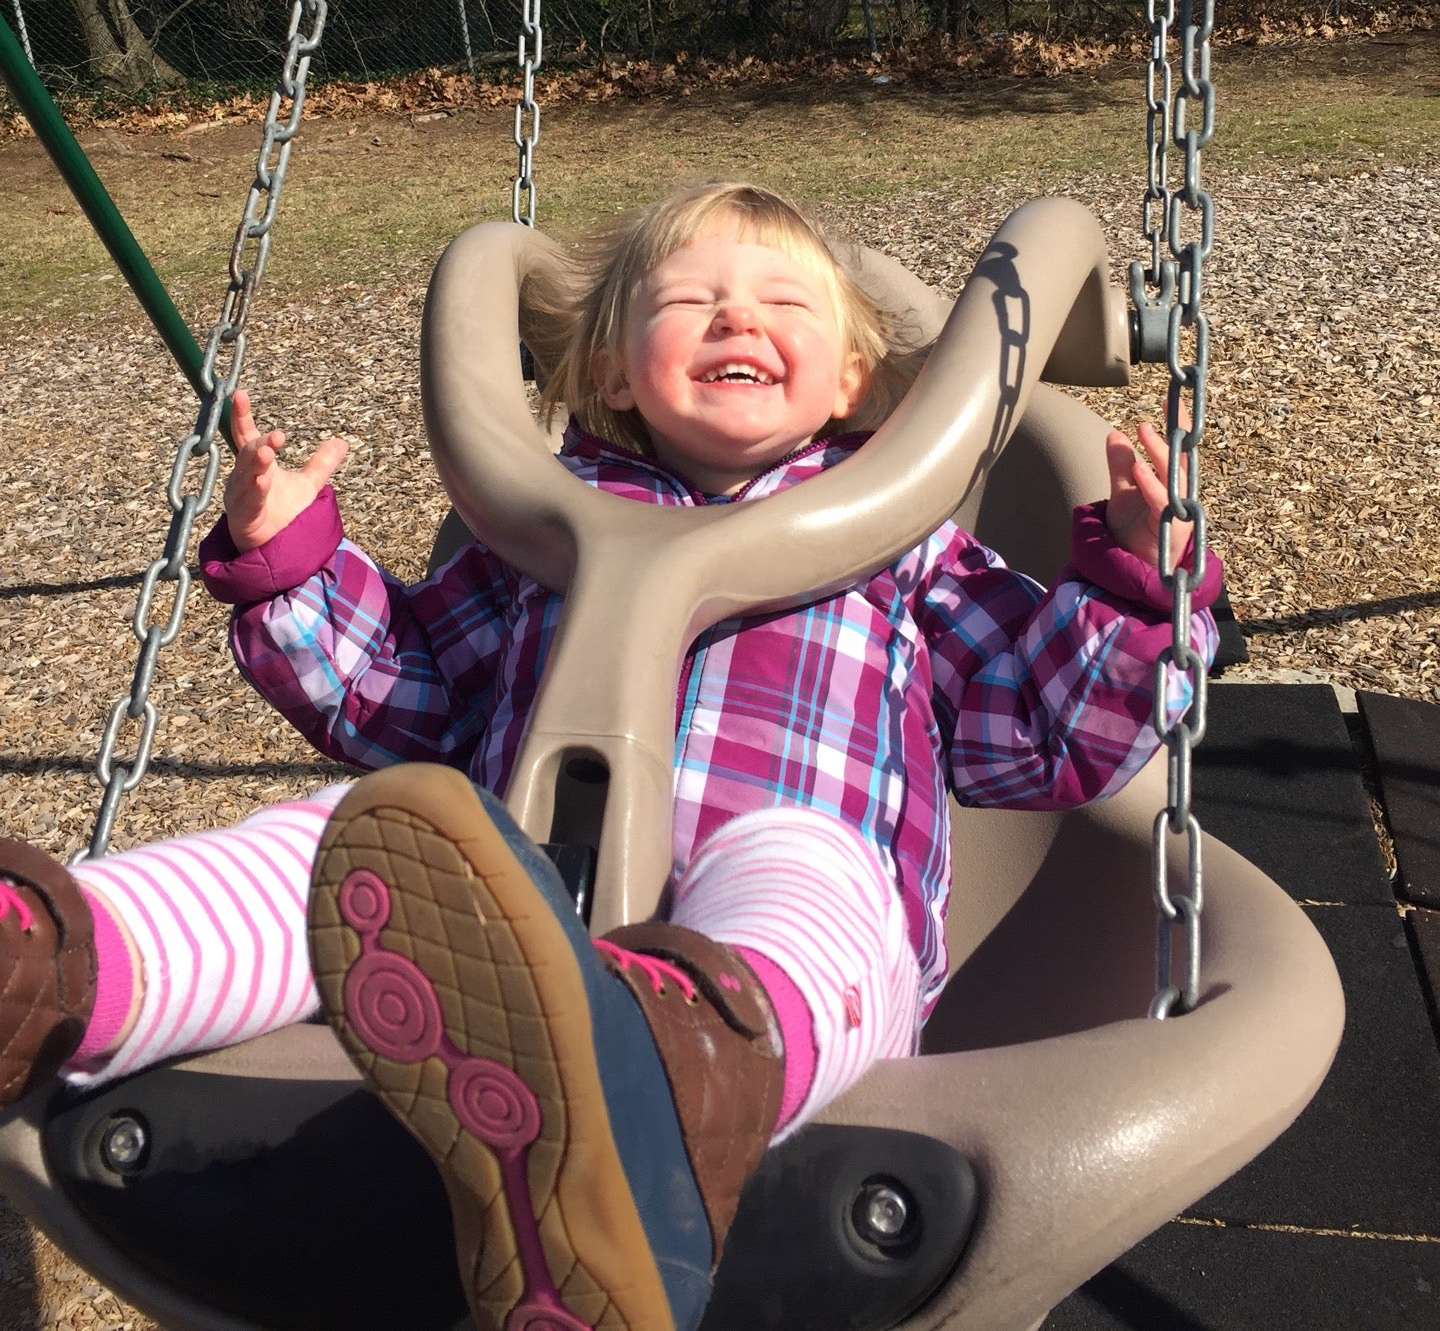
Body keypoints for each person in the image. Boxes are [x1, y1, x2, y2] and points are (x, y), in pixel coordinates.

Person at [1, 181, 1222, 1331]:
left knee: (811, 876)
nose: (738, 314)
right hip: (496, 912)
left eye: (784, 303)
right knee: (356, 832)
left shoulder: (902, 547)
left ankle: (660, 1095)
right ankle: (57, 960)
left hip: (792, 904)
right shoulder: (544, 525)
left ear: (851, 377)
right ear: (609, 372)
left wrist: (1133, 586)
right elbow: (403, 698)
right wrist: (297, 567)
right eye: (690, 300)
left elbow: (1047, 733)